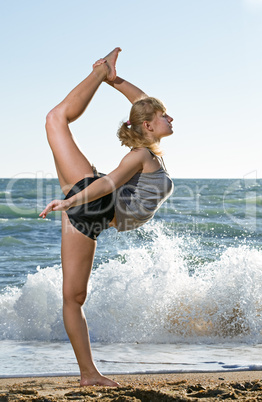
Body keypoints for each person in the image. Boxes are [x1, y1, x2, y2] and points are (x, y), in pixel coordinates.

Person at [40, 47, 174, 387]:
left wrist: (117, 81)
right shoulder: (141, 153)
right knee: (55, 119)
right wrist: (69, 203)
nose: (171, 119)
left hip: (97, 208)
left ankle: (89, 374)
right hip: (94, 204)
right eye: (165, 116)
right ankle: (89, 374)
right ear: (148, 125)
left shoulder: (150, 150)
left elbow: (144, 103)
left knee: (56, 120)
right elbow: (109, 182)